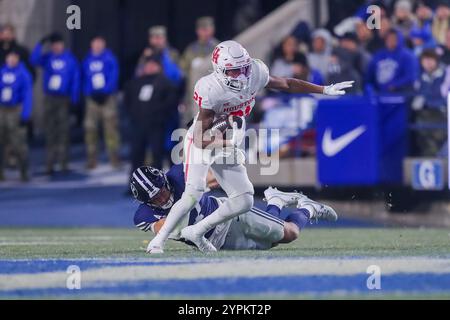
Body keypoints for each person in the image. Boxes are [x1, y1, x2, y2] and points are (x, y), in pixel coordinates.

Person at [146, 40, 353, 254]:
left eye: (244, 68)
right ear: (220, 71)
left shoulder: (256, 71)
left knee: (244, 199)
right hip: (204, 139)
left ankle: (198, 230)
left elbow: (287, 84)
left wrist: (324, 90)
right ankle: (158, 241)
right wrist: (228, 143)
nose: (242, 75)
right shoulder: (210, 89)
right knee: (193, 192)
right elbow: (200, 138)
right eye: (234, 71)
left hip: (231, 136)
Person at [131, 165, 337, 251]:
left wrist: (207, 181)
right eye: (155, 198)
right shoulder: (143, 215)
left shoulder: (178, 174)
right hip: (216, 243)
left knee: (290, 233)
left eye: (162, 191)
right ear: (146, 203)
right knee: (272, 243)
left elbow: (214, 177)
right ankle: (275, 201)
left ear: (165, 181)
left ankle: (308, 209)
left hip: (229, 216)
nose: (163, 197)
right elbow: (169, 229)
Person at [30, 32, 80, 175]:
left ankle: (63, 163)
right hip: (50, 98)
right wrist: (40, 44)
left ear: (63, 45)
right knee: (50, 131)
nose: (56, 47)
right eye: (53, 44)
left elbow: (75, 79)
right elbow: (34, 60)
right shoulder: (48, 58)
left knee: (63, 131)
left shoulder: (70, 59)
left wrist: (74, 98)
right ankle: (49, 164)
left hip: (63, 98)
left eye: (58, 44)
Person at [124, 56, 178, 179]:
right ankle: (134, 183)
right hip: (138, 124)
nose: (150, 68)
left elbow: (171, 102)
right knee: (137, 154)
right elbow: (128, 100)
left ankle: (157, 183)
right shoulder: (136, 82)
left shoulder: (165, 83)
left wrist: (160, 115)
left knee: (156, 155)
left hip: (156, 125)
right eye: (148, 65)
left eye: (153, 65)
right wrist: (133, 114)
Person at [82, 36, 121, 169]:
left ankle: (114, 158)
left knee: (111, 129)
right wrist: (88, 92)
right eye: (95, 43)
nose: (97, 46)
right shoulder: (87, 59)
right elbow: (84, 77)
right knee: (90, 128)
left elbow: (114, 75)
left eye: (100, 43)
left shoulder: (109, 58)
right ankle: (91, 159)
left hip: (107, 98)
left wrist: (106, 91)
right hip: (92, 99)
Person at [179, 17, 219, 128]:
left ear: (212, 29)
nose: (205, 32)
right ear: (198, 31)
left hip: (213, 96)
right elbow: (183, 73)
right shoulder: (191, 50)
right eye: (203, 29)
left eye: (208, 29)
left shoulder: (219, 48)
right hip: (193, 95)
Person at [0, 51, 32, 181]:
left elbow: (27, 95)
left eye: (14, 57)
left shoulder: (23, 74)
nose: (12, 59)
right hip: (2, 109)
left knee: (19, 144)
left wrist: (25, 114)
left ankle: (24, 171)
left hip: (15, 110)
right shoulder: (2, 72)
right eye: (9, 57)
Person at [412, 49, 447, 156]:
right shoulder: (420, 77)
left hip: (442, 112)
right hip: (425, 113)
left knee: (439, 135)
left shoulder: (446, 73)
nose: (427, 63)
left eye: (430, 59)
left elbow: (443, 94)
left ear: (436, 60)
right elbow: (417, 98)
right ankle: (430, 157)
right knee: (422, 133)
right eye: (424, 60)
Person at [365, 29, 418, 95]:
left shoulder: (408, 56)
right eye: (388, 38)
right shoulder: (379, 55)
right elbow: (369, 75)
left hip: (400, 94)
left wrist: (394, 85)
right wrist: (369, 87)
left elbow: (410, 77)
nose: (390, 41)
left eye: (393, 38)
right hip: (379, 94)